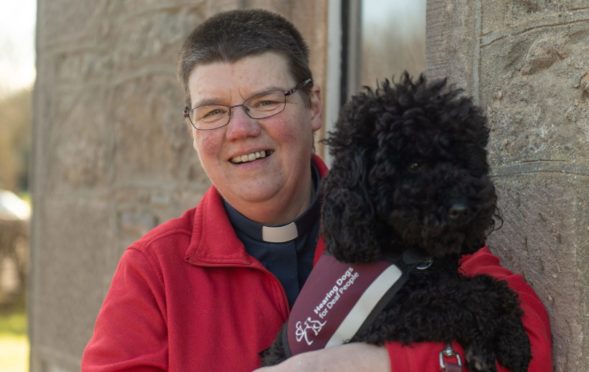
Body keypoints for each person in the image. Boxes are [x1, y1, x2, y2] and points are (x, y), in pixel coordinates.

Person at [81, 9, 553, 372]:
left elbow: (527, 340)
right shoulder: (153, 272)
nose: (240, 129)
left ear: (313, 107)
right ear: (191, 129)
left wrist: (372, 364)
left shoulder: (402, 210)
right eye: (212, 112)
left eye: (266, 102)